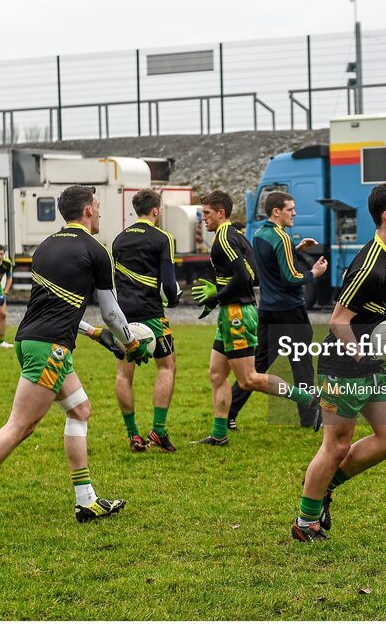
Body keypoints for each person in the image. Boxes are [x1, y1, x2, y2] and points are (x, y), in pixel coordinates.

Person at [0, 185, 153, 533]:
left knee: (80, 410)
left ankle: (86, 501)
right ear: (86, 212)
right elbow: (112, 313)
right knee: (20, 426)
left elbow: (56, 309)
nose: (99, 212)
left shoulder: (45, 248)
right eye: (97, 207)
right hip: (49, 348)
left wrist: (95, 335)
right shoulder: (97, 251)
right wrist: (131, 344)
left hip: (32, 340)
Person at [292, 181, 386, 543]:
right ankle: (305, 522)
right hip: (343, 366)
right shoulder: (369, 264)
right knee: (337, 445)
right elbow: (337, 321)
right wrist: (362, 351)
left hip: (374, 367)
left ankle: (323, 486)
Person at [190, 190, 315, 446]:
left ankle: (306, 398)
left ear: (221, 213)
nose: (204, 218)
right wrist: (221, 293)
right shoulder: (238, 235)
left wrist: (216, 294)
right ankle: (219, 434)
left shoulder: (225, 238)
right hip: (231, 310)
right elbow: (254, 274)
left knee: (250, 378)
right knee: (216, 375)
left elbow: (245, 278)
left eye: (207, 213)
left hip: (237, 312)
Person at [227, 190, 328, 430]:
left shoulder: (261, 233)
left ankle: (227, 414)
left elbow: (272, 267)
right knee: (302, 365)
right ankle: (309, 418)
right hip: (290, 311)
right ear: (276, 211)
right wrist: (314, 273)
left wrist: (297, 250)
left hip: (268, 310)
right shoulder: (281, 237)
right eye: (290, 209)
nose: (295, 213)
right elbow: (291, 277)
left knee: (256, 368)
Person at [111, 189, 181, 452]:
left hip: (124, 318)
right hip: (152, 315)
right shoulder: (162, 238)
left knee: (124, 374)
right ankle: (159, 431)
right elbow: (169, 284)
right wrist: (173, 300)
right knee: (166, 367)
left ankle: (133, 435)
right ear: (156, 211)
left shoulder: (119, 239)